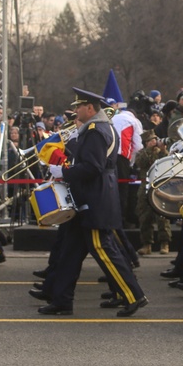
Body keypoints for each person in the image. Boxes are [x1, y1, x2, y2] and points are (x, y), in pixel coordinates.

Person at [39, 88, 147, 317]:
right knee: (70, 252)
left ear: (90, 108)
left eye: (79, 106)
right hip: (88, 197)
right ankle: (61, 300)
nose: (76, 111)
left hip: (94, 198)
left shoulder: (96, 131)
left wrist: (63, 172)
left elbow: (92, 167)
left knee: (103, 249)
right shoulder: (98, 128)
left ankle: (133, 295)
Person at [135, 130, 171, 255]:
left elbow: (168, 162)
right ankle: (147, 244)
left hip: (160, 185)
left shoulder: (162, 152)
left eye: (155, 139)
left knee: (162, 217)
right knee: (144, 216)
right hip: (146, 185)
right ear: (146, 142)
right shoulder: (142, 153)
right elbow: (141, 163)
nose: (154, 142)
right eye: (151, 140)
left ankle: (165, 243)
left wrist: (163, 150)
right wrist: (150, 150)